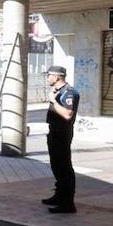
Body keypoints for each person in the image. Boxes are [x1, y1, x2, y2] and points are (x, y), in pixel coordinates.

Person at [42, 64, 80, 214]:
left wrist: (53, 100)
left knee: (64, 168)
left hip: (62, 135)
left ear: (57, 77)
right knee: (56, 166)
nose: (47, 78)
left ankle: (68, 203)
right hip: (54, 133)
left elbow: (67, 114)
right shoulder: (59, 91)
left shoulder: (70, 93)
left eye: (49, 75)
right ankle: (59, 196)